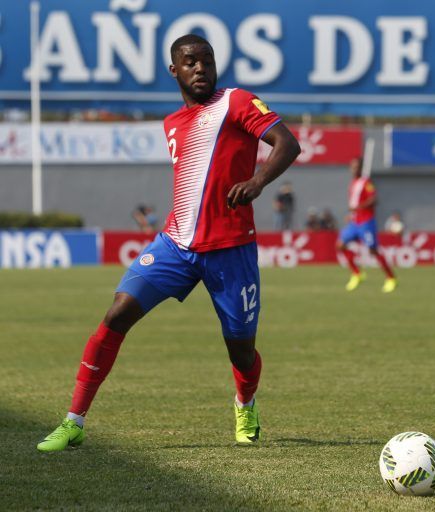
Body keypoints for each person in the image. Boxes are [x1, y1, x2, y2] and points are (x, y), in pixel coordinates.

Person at [36, 34, 300, 452]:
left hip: (231, 250)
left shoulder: (237, 101)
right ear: (174, 70)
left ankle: (245, 402)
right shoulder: (172, 123)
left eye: (207, 61)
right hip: (175, 245)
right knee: (117, 313)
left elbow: (288, 143)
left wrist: (257, 181)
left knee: (241, 351)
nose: (200, 68)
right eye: (190, 61)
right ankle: (74, 421)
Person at [337, 157, 397, 293]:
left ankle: (391, 278)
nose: (354, 169)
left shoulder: (366, 182)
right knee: (340, 245)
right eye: (352, 166)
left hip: (366, 222)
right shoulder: (353, 183)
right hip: (354, 222)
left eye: (356, 166)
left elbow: (374, 199)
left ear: (361, 168)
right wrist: (352, 214)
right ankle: (357, 273)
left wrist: (359, 207)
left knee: (373, 250)